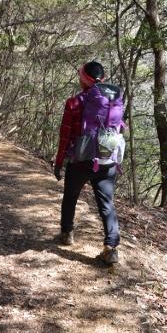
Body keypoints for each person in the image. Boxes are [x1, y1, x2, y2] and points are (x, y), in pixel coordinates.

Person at [54, 61, 124, 265]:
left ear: (84, 78)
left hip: (80, 161)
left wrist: (59, 163)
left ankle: (67, 234)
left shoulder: (74, 103)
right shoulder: (113, 100)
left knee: (71, 196)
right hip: (106, 161)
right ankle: (110, 248)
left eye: (80, 75)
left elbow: (65, 136)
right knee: (107, 205)